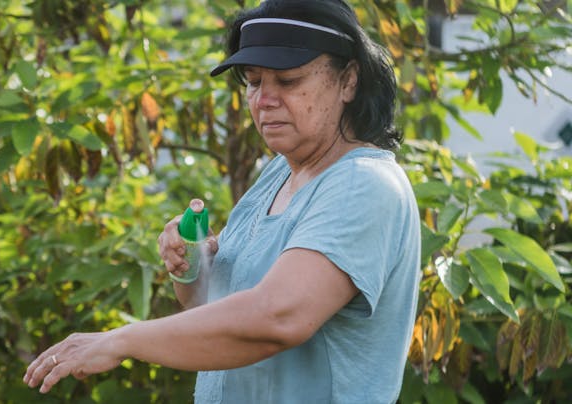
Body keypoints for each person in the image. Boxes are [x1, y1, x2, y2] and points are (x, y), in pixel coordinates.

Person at [23, 0, 421, 402]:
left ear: (348, 80)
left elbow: (277, 317)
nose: (264, 100)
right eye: (252, 81)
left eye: (287, 81)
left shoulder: (363, 185)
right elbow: (215, 313)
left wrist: (121, 340)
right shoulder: (279, 173)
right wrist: (195, 265)